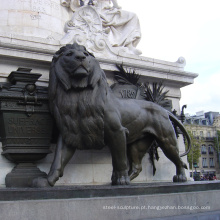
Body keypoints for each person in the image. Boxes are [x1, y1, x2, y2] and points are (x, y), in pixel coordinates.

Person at [60, 0, 142, 55]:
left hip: (108, 10)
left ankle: (129, 45)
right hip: (97, 10)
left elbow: (116, 4)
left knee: (133, 17)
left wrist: (116, 7)